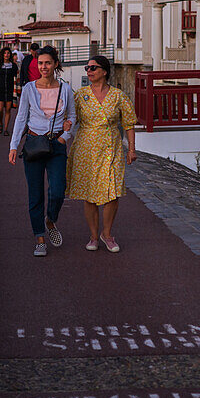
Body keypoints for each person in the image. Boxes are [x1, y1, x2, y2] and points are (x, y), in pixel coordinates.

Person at [9, 46, 75, 257]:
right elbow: (21, 118)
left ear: (56, 64)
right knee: (35, 194)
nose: (43, 67)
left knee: (58, 190)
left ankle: (50, 220)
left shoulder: (65, 89)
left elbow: (72, 117)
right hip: (34, 144)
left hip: (56, 145)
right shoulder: (29, 88)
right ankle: (39, 238)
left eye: (47, 63)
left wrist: (65, 137)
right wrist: (13, 145)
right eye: (40, 63)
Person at [66, 55, 137, 253]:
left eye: (93, 68)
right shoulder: (80, 95)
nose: (89, 71)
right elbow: (71, 119)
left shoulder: (118, 95)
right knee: (90, 194)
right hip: (86, 147)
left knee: (112, 191)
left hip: (111, 146)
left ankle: (107, 234)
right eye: (87, 68)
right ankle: (93, 236)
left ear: (104, 72)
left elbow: (129, 124)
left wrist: (131, 149)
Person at [0, 47, 19, 135]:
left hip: (10, 90)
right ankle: (0, 123)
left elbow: (17, 78)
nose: (6, 55)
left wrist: (18, 90)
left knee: (8, 110)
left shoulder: (14, 66)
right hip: (0, 90)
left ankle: (6, 129)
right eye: (5, 53)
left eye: (8, 53)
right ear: (2, 55)